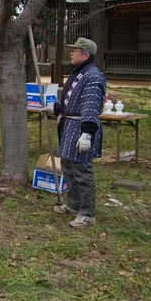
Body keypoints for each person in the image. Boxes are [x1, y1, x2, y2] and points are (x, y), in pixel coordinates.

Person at [51, 37, 106, 229]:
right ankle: (74, 203)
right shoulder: (79, 73)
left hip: (81, 127)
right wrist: (59, 108)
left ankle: (87, 212)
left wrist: (87, 132)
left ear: (85, 54)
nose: (71, 53)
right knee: (68, 166)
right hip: (69, 126)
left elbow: (90, 104)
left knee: (82, 171)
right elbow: (72, 99)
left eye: (74, 51)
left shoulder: (92, 75)